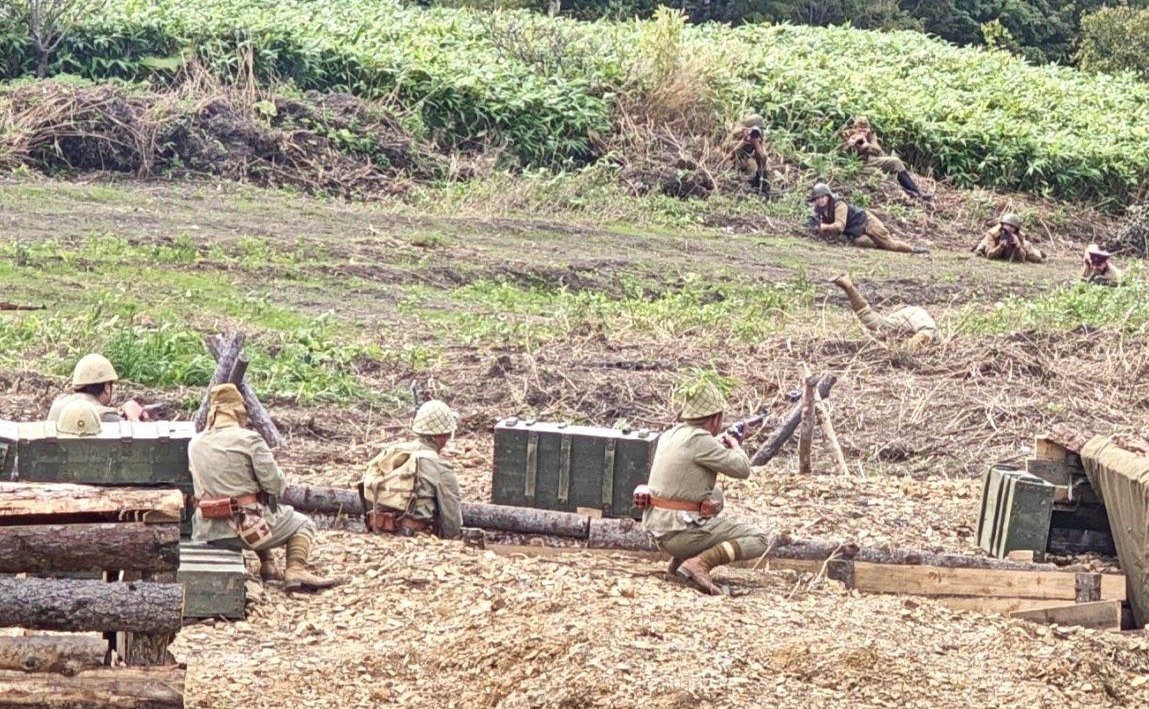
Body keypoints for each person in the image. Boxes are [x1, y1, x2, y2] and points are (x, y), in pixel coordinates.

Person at [189, 384, 339, 593]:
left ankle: (268, 564)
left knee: (257, 509)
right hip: (245, 530)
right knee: (302, 524)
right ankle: (296, 570)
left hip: (208, 531)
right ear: (239, 410)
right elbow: (275, 485)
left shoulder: (195, 443)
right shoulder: (250, 440)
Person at [639, 381, 772, 596]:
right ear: (715, 419)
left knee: (715, 496)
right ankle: (698, 564)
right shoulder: (701, 441)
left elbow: (695, 452)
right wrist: (736, 445)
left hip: (657, 529)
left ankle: (681, 560)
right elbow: (742, 469)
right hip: (678, 534)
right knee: (759, 539)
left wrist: (721, 442)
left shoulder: (672, 434)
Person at [360, 400, 463, 539]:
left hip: (376, 533)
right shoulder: (441, 468)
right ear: (443, 435)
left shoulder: (391, 452)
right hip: (417, 539)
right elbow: (452, 523)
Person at [810, 183, 929, 254]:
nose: (820, 200)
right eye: (817, 198)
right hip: (855, 230)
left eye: (823, 197)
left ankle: (913, 249)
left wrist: (824, 226)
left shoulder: (839, 205)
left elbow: (839, 226)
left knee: (889, 245)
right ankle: (878, 244)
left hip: (867, 222)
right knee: (860, 242)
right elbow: (814, 224)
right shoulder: (819, 210)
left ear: (828, 196)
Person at [830, 273, 938, 349]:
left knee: (874, 321)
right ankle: (849, 288)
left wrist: (906, 348)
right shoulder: (910, 314)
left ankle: (849, 288)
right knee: (874, 321)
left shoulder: (915, 311)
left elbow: (927, 330)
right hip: (917, 336)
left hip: (921, 336)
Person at [842, 116, 930, 200]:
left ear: (868, 129)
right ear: (854, 128)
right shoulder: (847, 134)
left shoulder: (870, 136)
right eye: (860, 129)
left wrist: (867, 146)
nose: (862, 132)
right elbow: (840, 152)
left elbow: (879, 151)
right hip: (856, 164)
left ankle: (915, 191)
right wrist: (849, 145)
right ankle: (911, 191)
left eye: (865, 129)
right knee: (894, 162)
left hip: (871, 160)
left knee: (896, 162)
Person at [46, 353, 147, 423]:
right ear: (107, 387)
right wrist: (133, 416)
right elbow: (140, 444)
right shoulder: (105, 415)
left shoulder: (58, 403)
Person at [973, 213, 1044, 263]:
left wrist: (1018, 246)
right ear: (1002, 224)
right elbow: (990, 256)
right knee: (982, 247)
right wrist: (1000, 247)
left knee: (1036, 257)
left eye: (1012, 227)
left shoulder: (1018, 236)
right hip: (993, 243)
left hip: (1023, 244)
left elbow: (1022, 259)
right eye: (1007, 225)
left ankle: (1038, 251)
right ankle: (980, 245)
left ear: (1016, 230)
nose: (1009, 228)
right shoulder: (993, 234)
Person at [728, 114, 769, 192]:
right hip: (735, 161)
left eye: (759, 129)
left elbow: (763, 159)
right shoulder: (738, 134)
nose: (755, 132)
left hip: (748, 161)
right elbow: (729, 153)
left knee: (753, 168)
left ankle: (753, 186)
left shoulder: (758, 138)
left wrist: (757, 144)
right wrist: (743, 141)